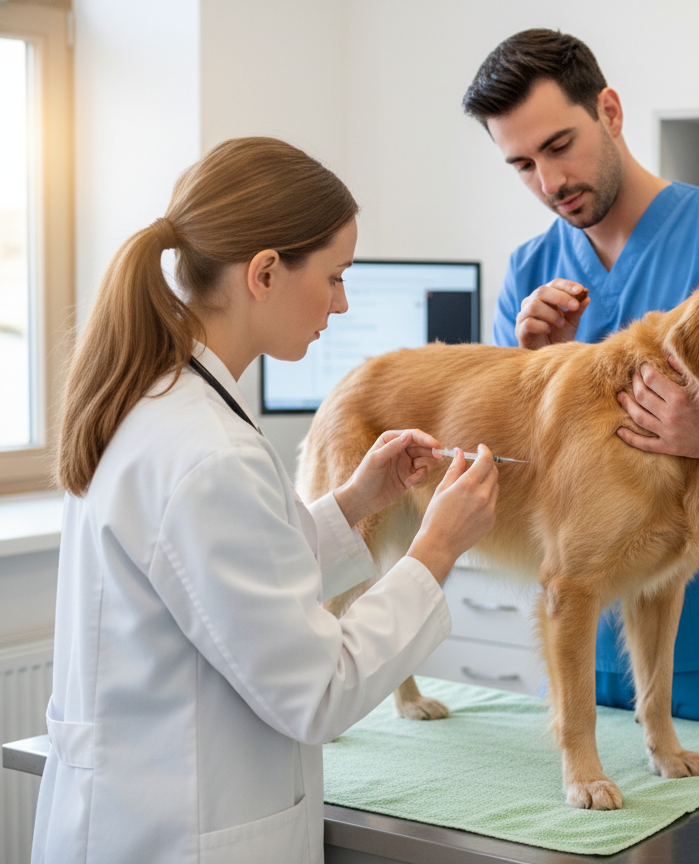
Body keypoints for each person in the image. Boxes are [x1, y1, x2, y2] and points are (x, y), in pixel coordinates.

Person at [34, 137, 499, 864]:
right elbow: (318, 692)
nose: (342, 304)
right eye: (337, 277)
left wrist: (352, 503)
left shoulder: (162, 405)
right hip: (183, 834)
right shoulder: (206, 450)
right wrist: (435, 549)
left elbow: (226, 586)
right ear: (264, 273)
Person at [462, 30, 699, 732]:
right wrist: (537, 368)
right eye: (522, 164)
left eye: (561, 145)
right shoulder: (530, 272)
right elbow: (512, 469)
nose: (550, 182)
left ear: (609, 110)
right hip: (576, 644)